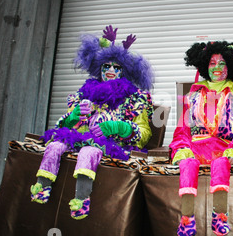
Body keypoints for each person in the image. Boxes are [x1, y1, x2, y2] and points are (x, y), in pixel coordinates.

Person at [30, 25, 154, 220]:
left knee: (89, 152)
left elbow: (144, 134)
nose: (111, 70)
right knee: (54, 145)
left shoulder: (135, 97)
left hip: (110, 146)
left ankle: (81, 200)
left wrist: (118, 127)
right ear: (100, 68)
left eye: (117, 67)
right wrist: (73, 116)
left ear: (125, 72)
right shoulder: (85, 92)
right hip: (77, 139)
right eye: (107, 66)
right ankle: (42, 188)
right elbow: (61, 125)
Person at [170, 41, 233, 236]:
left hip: (225, 148)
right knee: (187, 163)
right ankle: (187, 218)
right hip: (195, 148)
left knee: (221, 163)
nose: (217, 68)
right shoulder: (192, 96)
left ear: (231, 67)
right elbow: (182, 130)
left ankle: (219, 216)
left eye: (222, 63)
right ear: (205, 66)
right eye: (212, 63)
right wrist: (182, 148)